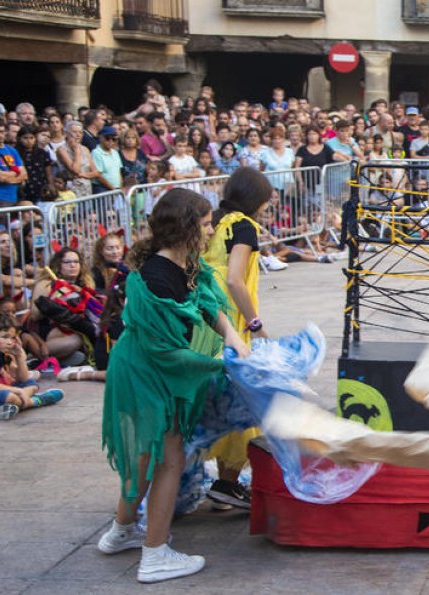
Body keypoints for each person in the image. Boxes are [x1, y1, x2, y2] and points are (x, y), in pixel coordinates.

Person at [98, 188, 250, 584]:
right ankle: (155, 554)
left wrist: (234, 339)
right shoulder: (155, 277)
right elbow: (167, 353)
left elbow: (209, 303)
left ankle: (121, 532)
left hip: (155, 371)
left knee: (148, 458)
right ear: (185, 227)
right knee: (166, 458)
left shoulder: (187, 261)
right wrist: (220, 366)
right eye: (204, 224)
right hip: (145, 374)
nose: (211, 229)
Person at [200, 167, 275, 510]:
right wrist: (255, 323)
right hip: (229, 322)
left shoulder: (212, 221)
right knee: (240, 401)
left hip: (202, 319)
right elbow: (234, 279)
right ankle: (227, 483)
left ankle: (187, 478)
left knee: (204, 398)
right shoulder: (244, 226)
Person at [0, 313, 64, 420]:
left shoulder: (1, 352)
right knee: (8, 396)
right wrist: (18, 391)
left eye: (12, 338)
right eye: (4, 337)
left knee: (31, 383)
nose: (9, 342)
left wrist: (20, 357)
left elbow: (22, 378)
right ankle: (35, 401)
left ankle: (7, 406)